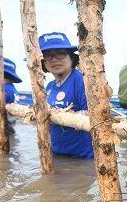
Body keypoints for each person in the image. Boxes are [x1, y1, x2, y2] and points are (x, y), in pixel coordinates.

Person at [39, 31, 94, 159]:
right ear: (43, 62)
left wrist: (67, 115)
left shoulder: (80, 81)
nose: (54, 59)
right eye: (48, 55)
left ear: (71, 57)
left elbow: (94, 114)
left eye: (60, 54)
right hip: (56, 154)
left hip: (81, 158)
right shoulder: (49, 86)